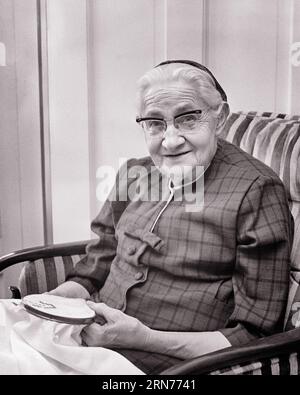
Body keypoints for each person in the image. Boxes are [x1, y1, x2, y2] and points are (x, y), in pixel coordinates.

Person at [50, 60, 294, 374]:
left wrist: (144, 338)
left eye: (188, 118)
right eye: (155, 122)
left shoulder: (257, 191)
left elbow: (254, 333)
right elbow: (100, 257)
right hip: (82, 341)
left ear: (219, 117)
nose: (171, 140)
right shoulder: (133, 174)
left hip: (171, 368)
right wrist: (59, 299)